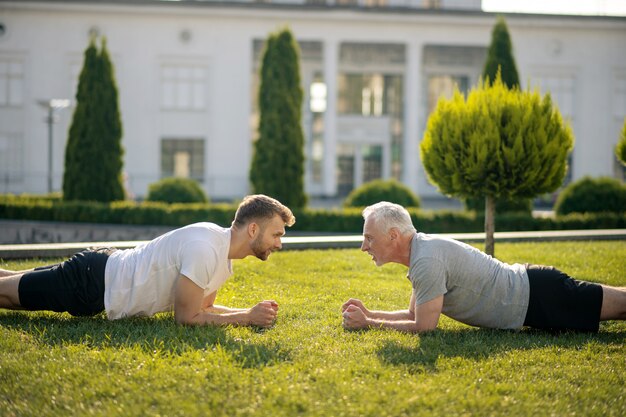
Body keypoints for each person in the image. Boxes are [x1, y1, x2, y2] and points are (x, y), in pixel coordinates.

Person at [0, 194, 295, 328]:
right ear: (253, 229)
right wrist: (247, 318)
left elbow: (202, 308)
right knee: (10, 296)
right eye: (276, 234)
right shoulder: (206, 248)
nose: (279, 243)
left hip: (99, 271)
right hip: (93, 281)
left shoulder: (220, 253)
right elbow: (186, 318)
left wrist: (250, 311)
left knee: (10, 280)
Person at [342, 201, 626, 333]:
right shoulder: (422, 253)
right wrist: (370, 313)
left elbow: (424, 327)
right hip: (533, 295)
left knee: (622, 306)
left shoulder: (426, 260)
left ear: (393, 236)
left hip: (538, 296)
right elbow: (413, 314)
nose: (364, 246)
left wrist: (369, 324)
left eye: (369, 238)